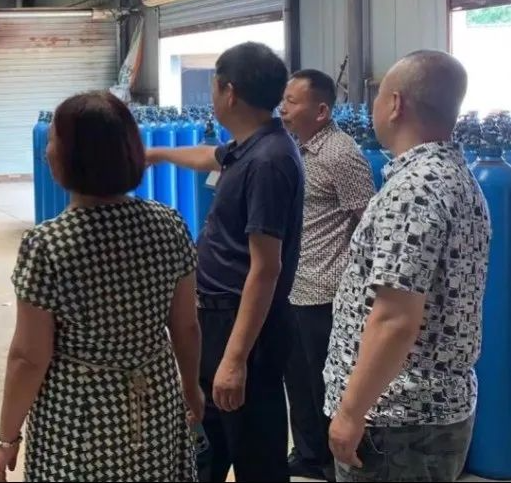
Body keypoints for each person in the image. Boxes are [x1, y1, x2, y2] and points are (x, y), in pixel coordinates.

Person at [0, 91, 203, 483]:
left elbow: (29, 357)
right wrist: (191, 389)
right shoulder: (169, 224)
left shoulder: (48, 245)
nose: (47, 149)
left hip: (78, 415)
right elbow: (186, 326)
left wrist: (7, 437)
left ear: (70, 157)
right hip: (156, 400)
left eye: (53, 140)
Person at [324, 51, 490, 483]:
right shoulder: (457, 177)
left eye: (379, 96)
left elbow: (395, 319)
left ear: (395, 104)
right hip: (426, 416)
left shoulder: (415, 191)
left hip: (395, 422)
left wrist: (350, 412)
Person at [147, 42, 303, 482]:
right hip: (218, 319)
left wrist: (235, 359)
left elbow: (266, 268)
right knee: (208, 444)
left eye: (215, 86)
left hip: (243, 325)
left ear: (229, 92)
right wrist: (155, 155)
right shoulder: (249, 146)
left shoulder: (269, 161)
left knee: (256, 454)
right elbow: (209, 156)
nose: (213, 95)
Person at [279, 69, 375, 481]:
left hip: (325, 291)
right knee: (297, 381)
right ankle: (308, 454)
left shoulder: (341, 154)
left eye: (292, 101)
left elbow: (368, 221)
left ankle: (334, 463)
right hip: (292, 286)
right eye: (283, 99)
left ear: (320, 111)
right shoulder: (293, 148)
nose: (283, 109)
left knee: (326, 384)